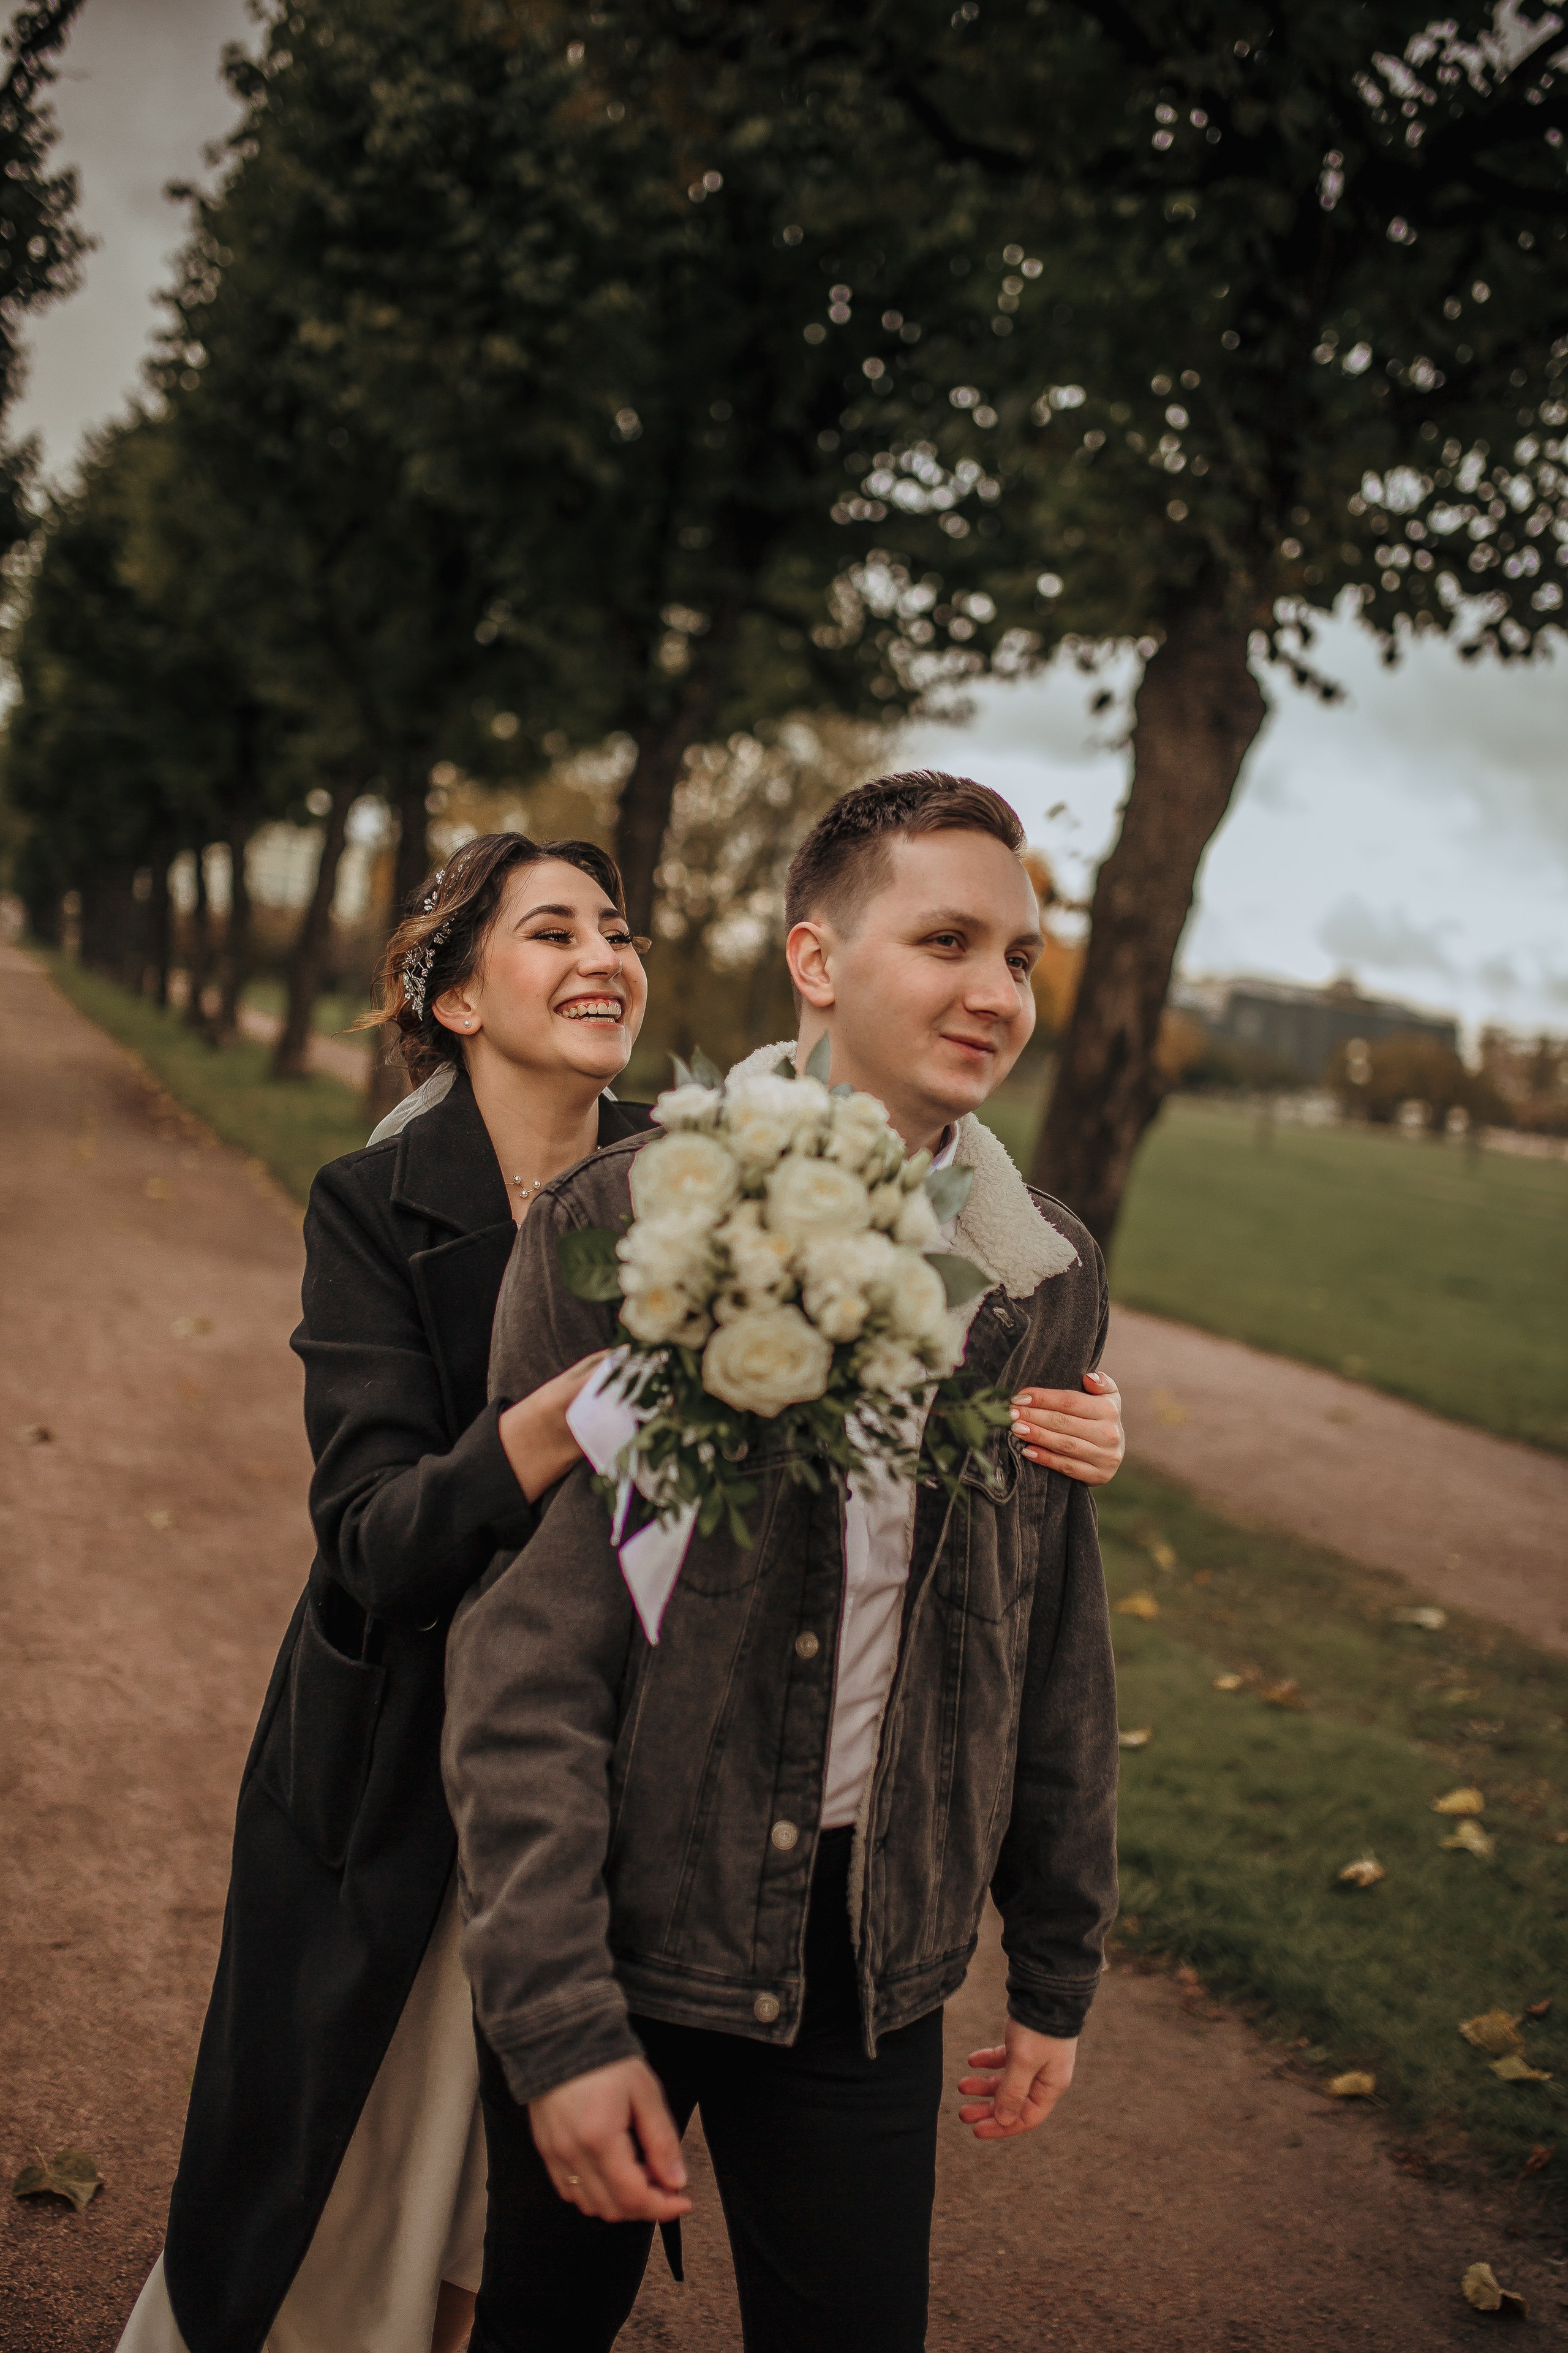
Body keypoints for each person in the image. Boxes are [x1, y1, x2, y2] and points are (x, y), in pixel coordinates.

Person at [443, 771, 1124, 2353]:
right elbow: (528, 1654)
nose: (994, 989)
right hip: (632, 1922)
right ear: (815, 961)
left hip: (868, 1964)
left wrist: (1058, 1956)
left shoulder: (1045, 1276)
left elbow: (1052, 1630)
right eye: (946, 937)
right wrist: (553, 2021)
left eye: (1019, 955)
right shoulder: (626, 1229)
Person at [116, 833, 659, 2353]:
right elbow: (373, 1536)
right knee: (327, 2183)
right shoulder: (369, 1202)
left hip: (607, 1766)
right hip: (388, 1762)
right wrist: (564, 1415)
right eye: (552, 931)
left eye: (616, 930)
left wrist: (1063, 1418)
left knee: (520, 2211)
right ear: (461, 996)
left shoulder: (708, 1178)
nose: (604, 957)